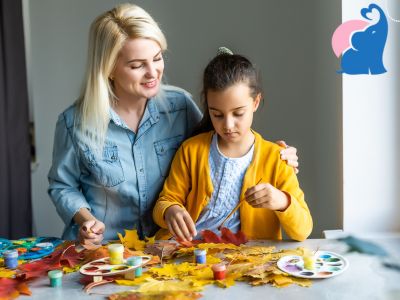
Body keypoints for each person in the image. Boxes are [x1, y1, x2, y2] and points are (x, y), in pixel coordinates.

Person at [48, 4, 299, 246]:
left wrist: (275, 155)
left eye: (157, 58)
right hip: (106, 252)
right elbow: (63, 186)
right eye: (137, 65)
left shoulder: (181, 106)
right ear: (109, 69)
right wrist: (86, 221)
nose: (152, 72)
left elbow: (222, 143)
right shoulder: (74, 123)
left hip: (165, 253)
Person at [153, 48, 312, 242]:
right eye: (217, 114)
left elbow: (303, 230)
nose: (227, 125)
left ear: (255, 102)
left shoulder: (277, 158)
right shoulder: (191, 151)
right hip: (190, 255)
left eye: (238, 113)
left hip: (247, 263)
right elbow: (165, 201)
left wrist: (282, 201)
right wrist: (171, 210)